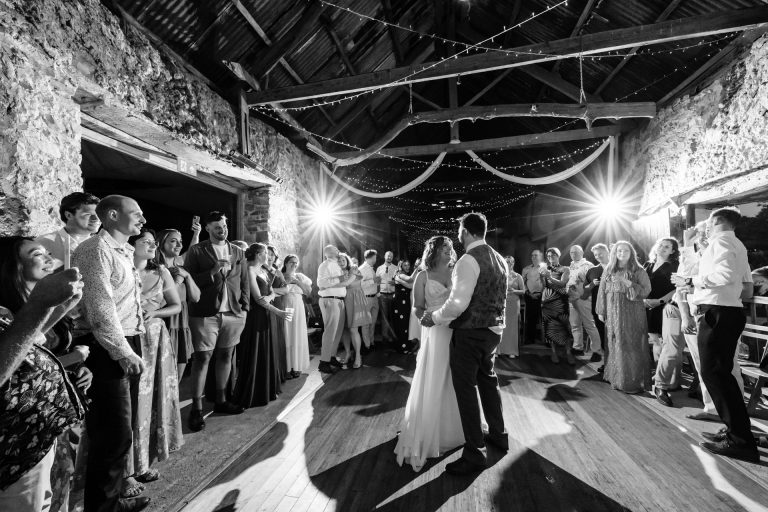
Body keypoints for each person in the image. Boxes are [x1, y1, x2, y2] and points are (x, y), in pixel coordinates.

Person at [0, 238, 92, 512]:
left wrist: (58, 307)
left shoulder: (10, 312)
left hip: (37, 437)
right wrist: (41, 303)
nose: (49, 257)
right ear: (12, 267)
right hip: (14, 451)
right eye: (37, 254)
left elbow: (29, 344)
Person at [71, 195, 149, 512]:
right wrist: (122, 352)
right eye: (137, 214)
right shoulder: (93, 250)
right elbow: (101, 310)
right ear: (113, 215)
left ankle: (114, 501)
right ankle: (102, 508)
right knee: (112, 434)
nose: (143, 220)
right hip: (107, 348)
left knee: (120, 433)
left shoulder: (124, 251)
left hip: (126, 341)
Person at [421, 212, 508, 475]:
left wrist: (434, 317)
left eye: (460, 230)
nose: (458, 234)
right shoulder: (499, 258)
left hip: (471, 333)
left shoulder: (468, 260)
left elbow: (458, 303)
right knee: (488, 381)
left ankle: (474, 453)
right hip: (494, 330)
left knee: (466, 389)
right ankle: (499, 435)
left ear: (467, 232)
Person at [673, 208, 759, 462]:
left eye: (709, 224)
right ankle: (736, 432)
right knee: (717, 374)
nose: (706, 228)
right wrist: (688, 249)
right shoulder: (724, 243)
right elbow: (701, 268)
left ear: (716, 221)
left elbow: (725, 275)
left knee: (715, 374)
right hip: (720, 312)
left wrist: (692, 283)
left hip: (720, 313)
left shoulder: (723, 241)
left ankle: (741, 441)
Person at [394, 236, 464, 471]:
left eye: (450, 248)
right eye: (444, 248)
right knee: (435, 375)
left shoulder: (456, 272)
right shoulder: (422, 275)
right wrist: (422, 317)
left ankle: (457, 426)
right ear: (433, 251)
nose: (449, 251)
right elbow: (417, 305)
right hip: (434, 331)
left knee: (456, 376)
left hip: (456, 329)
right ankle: (431, 428)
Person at [125, 229, 183, 490]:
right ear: (132, 245)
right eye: (145, 242)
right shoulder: (123, 269)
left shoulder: (161, 273)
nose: (151, 245)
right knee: (128, 402)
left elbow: (176, 306)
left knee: (151, 400)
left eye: (152, 242)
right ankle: (125, 466)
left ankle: (145, 461)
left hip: (155, 340)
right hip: (127, 339)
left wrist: (157, 312)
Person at [674, 221, 746, 422]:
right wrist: (686, 316)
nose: (703, 237)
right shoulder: (694, 258)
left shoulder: (727, 254)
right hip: (695, 314)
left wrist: (696, 285)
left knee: (729, 367)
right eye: (699, 234)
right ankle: (713, 409)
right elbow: (681, 286)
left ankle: (737, 415)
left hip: (719, 314)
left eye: (706, 232)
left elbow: (742, 286)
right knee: (702, 367)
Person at [184, 211, 249, 432]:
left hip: (233, 312)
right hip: (205, 312)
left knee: (226, 356)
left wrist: (245, 307)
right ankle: (196, 408)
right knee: (202, 358)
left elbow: (244, 280)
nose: (223, 229)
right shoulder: (197, 250)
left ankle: (221, 401)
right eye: (218, 227)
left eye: (224, 226)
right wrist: (212, 271)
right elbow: (189, 281)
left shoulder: (238, 251)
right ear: (209, 229)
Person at [234, 244, 289, 408]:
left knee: (267, 350)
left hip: (267, 313)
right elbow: (258, 299)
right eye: (265, 252)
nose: (268, 255)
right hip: (256, 316)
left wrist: (272, 295)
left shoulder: (265, 271)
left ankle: (267, 389)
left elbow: (270, 292)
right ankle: (253, 393)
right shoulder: (250, 270)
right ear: (258, 254)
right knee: (256, 350)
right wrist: (277, 311)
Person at [596, 241, 652, 394]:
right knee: (615, 342)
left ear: (631, 252)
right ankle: (617, 378)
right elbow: (602, 290)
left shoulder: (638, 269)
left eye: (625, 250)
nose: (622, 253)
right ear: (615, 252)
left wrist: (628, 283)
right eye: (619, 250)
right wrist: (601, 310)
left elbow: (646, 290)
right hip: (612, 309)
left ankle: (632, 382)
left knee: (631, 344)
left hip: (631, 310)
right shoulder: (609, 268)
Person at [155, 229, 200, 383]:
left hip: (181, 321)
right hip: (163, 319)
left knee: (177, 378)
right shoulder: (155, 268)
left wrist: (186, 275)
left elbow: (196, 297)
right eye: (173, 241)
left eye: (180, 241)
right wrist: (177, 282)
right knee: (160, 375)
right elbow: (158, 301)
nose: (179, 244)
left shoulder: (181, 265)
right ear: (161, 244)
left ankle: (173, 405)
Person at [644, 238, 681, 407]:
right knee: (655, 341)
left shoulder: (674, 266)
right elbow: (642, 284)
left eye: (667, 247)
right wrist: (644, 300)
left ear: (673, 251)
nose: (663, 248)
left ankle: (669, 379)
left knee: (666, 343)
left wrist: (659, 301)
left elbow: (676, 288)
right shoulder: (648, 265)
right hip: (647, 305)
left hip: (665, 306)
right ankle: (659, 373)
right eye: (661, 245)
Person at [37, 192, 101, 271]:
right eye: (88, 214)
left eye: (99, 214)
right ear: (69, 215)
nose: (96, 219)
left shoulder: (101, 245)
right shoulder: (42, 243)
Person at [317, 245, 351, 374]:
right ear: (329, 253)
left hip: (340, 300)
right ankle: (323, 362)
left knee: (338, 331)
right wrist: (340, 278)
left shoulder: (338, 265)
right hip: (330, 299)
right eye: (336, 250)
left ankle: (331, 357)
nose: (338, 251)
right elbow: (321, 283)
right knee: (330, 331)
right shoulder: (325, 265)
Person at [539, 248, 575, 365]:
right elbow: (544, 285)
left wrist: (549, 277)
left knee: (564, 325)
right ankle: (553, 352)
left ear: (558, 255)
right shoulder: (545, 269)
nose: (550, 257)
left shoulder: (565, 269)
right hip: (548, 300)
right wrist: (542, 277)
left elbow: (562, 283)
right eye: (548, 256)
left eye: (553, 255)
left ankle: (568, 352)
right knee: (550, 326)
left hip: (560, 300)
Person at [566, 245, 602, 360]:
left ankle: (597, 351)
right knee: (575, 325)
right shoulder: (570, 266)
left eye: (576, 252)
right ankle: (578, 348)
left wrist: (585, 292)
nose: (573, 254)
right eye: (571, 252)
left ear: (582, 252)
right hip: (571, 298)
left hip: (584, 298)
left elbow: (592, 283)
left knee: (589, 325)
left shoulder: (588, 266)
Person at [281, 254, 312, 377]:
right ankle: (287, 367)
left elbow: (308, 292)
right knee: (287, 334)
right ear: (286, 263)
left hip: (298, 306)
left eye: (296, 262)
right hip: (285, 305)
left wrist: (297, 282)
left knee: (297, 334)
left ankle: (297, 366)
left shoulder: (300, 276)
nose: (294, 264)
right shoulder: (280, 275)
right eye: (291, 262)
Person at [582, 244, 609, 371]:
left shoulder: (616, 267)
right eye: (596, 255)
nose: (598, 256)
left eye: (600, 253)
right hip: (598, 309)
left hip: (616, 307)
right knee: (604, 336)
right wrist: (592, 284)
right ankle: (607, 364)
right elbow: (585, 289)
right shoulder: (592, 270)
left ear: (607, 252)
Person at [340, 253, 369, 368]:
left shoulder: (354, 268)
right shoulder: (336, 272)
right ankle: (348, 353)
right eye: (339, 261)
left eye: (343, 260)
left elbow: (357, 282)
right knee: (344, 329)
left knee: (353, 329)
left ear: (347, 261)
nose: (341, 263)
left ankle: (358, 355)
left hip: (354, 299)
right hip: (342, 300)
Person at [266, 246, 289, 382]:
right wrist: (275, 291)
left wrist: (272, 291)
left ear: (275, 257)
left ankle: (279, 373)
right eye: (267, 254)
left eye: (272, 255)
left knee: (279, 337)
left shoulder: (278, 272)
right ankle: (269, 375)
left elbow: (286, 289)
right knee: (270, 338)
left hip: (278, 304)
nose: (269, 257)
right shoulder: (259, 270)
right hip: (267, 306)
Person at [499, 256, 524, 358]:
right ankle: (499, 350)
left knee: (512, 327)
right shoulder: (500, 275)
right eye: (507, 262)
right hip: (502, 303)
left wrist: (514, 291)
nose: (509, 264)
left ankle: (511, 351)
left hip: (514, 302)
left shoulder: (518, 276)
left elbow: (523, 291)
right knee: (501, 326)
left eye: (511, 262)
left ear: (513, 263)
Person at [358, 250, 380, 352]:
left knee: (373, 323)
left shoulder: (371, 269)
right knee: (366, 324)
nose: (375, 259)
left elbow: (371, 283)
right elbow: (360, 284)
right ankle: (366, 346)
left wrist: (377, 283)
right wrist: (373, 281)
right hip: (366, 298)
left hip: (374, 298)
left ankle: (371, 342)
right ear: (370, 258)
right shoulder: (362, 269)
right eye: (375, 257)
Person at [393, 259, 416, 353]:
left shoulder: (402, 275)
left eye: (408, 265)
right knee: (402, 324)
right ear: (401, 266)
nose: (407, 267)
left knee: (405, 323)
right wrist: (417, 268)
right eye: (405, 265)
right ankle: (402, 347)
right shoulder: (400, 274)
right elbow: (410, 283)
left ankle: (405, 345)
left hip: (405, 302)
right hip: (399, 303)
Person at [522, 250, 544, 344]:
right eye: (532, 255)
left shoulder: (545, 268)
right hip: (530, 296)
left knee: (545, 317)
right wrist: (529, 293)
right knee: (531, 318)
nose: (534, 257)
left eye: (536, 255)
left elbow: (547, 283)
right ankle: (530, 338)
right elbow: (522, 282)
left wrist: (541, 293)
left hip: (543, 296)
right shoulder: (526, 269)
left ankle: (547, 340)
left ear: (540, 256)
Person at [376, 251, 398, 344]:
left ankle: (393, 335)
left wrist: (395, 282)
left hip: (393, 295)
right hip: (383, 295)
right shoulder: (379, 268)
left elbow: (399, 280)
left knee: (393, 316)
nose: (389, 257)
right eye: (388, 256)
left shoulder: (396, 268)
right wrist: (377, 293)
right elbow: (377, 282)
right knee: (384, 317)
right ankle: (385, 336)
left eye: (391, 256)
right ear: (385, 256)